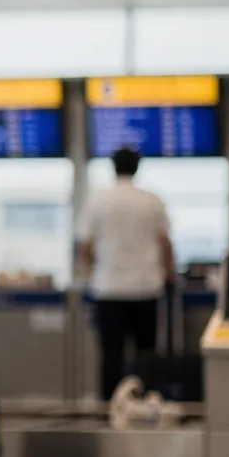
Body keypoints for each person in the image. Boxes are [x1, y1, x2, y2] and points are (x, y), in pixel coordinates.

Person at [79, 147, 174, 401]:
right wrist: (170, 276)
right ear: (137, 167)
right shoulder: (152, 200)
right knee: (146, 352)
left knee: (111, 354)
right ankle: (148, 403)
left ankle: (109, 406)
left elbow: (85, 247)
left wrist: (95, 271)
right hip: (146, 286)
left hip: (108, 287)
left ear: (113, 167)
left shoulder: (98, 200)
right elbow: (165, 243)